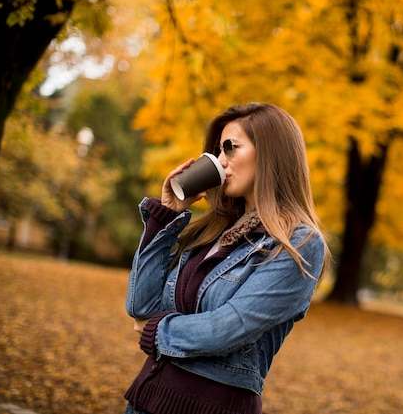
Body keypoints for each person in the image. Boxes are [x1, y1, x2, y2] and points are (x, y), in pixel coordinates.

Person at [123, 102, 331, 414]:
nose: (220, 161)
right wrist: (165, 216)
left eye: (230, 148)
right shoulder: (212, 229)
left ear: (270, 152)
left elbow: (229, 327)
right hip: (146, 400)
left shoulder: (297, 244)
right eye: (219, 150)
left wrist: (159, 332)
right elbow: (140, 307)